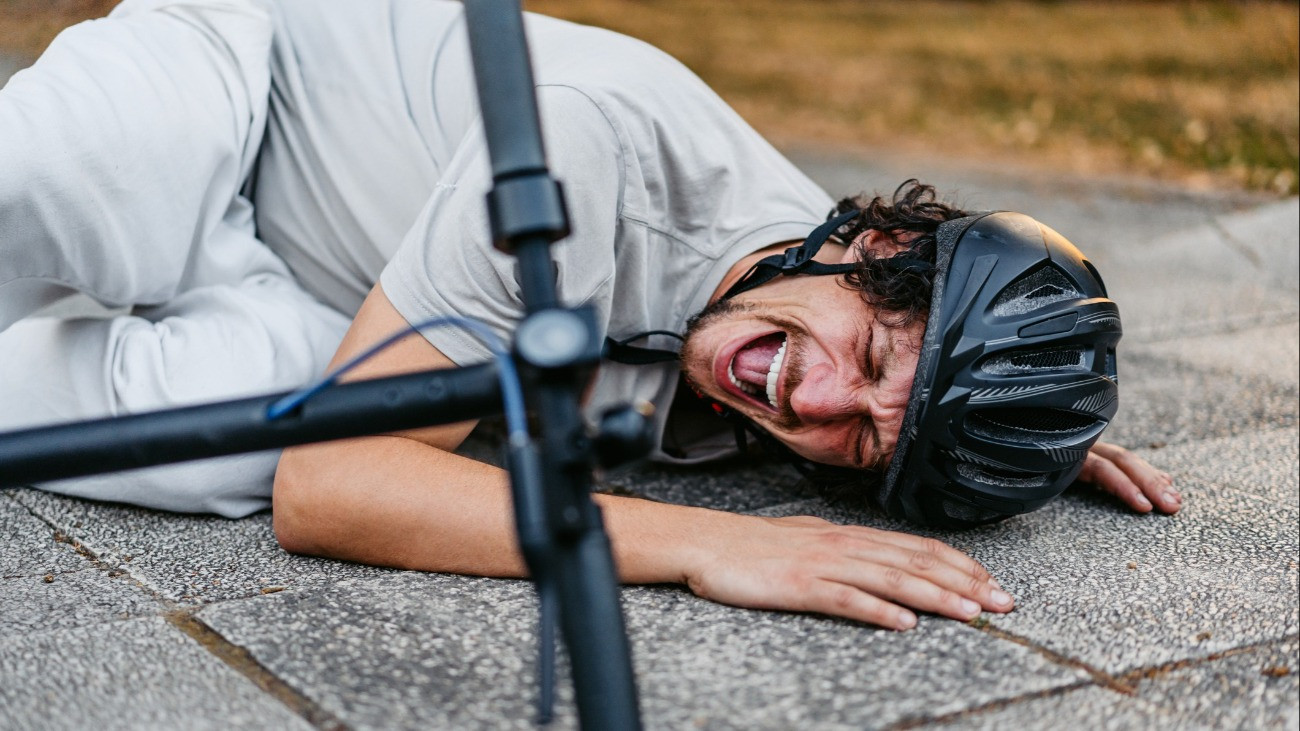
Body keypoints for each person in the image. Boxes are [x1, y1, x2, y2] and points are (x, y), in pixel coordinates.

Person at [0, 0, 1180, 630]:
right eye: (869, 351)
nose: (807, 401)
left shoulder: (812, 363)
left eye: (867, 435)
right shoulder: (596, 151)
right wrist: (715, 544)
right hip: (243, 93)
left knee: (229, 445)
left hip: (327, 310)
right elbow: (338, 484)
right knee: (61, 175)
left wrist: (995, 432)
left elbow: (308, 459)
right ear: (874, 248)